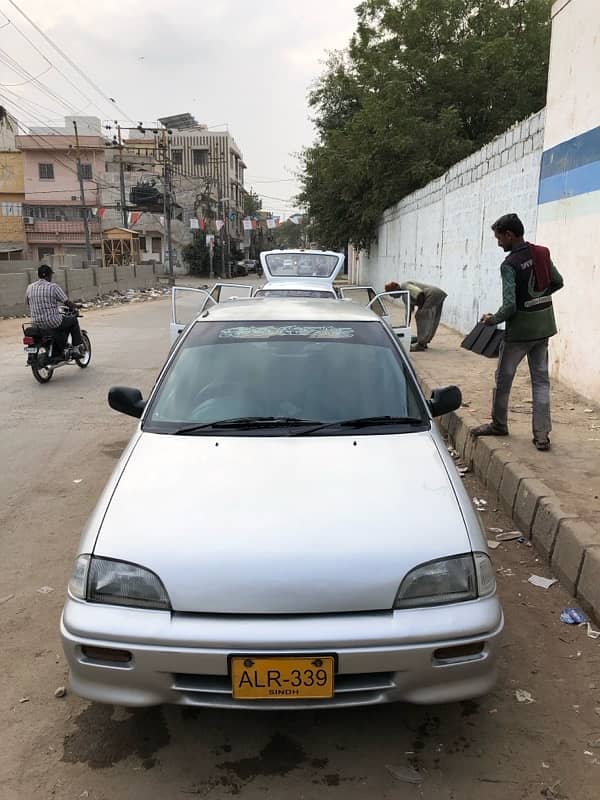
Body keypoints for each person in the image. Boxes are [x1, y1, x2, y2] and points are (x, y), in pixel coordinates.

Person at [472, 213, 564, 451]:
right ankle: (542, 436)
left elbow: (510, 305)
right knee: (541, 382)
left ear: (509, 235)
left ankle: (499, 424)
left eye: (499, 238)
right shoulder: (541, 253)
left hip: (519, 333)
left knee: (503, 379)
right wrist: (537, 301)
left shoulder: (509, 265)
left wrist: (493, 319)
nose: (499, 242)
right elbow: (557, 281)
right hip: (543, 329)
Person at [25, 264, 84, 359]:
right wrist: (76, 307)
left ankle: (58, 348)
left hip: (36, 323)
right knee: (73, 320)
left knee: (61, 324)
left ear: (39, 275)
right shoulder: (53, 287)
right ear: (49, 275)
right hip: (52, 322)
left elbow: (28, 302)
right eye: (51, 275)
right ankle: (75, 349)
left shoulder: (30, 287)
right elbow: (66, 302)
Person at [384, 280, 447, 351]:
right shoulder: (405, 296)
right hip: (438, 294)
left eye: (391, 294)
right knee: (434, 319)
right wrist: (406, 326)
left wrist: (421, 309)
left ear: (395, 290)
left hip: (432, 294)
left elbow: (419, 294)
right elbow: (408, 312)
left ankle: (421, 344)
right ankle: (424, 342)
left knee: (420, 316)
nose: (392, 297)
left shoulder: (405, 286)